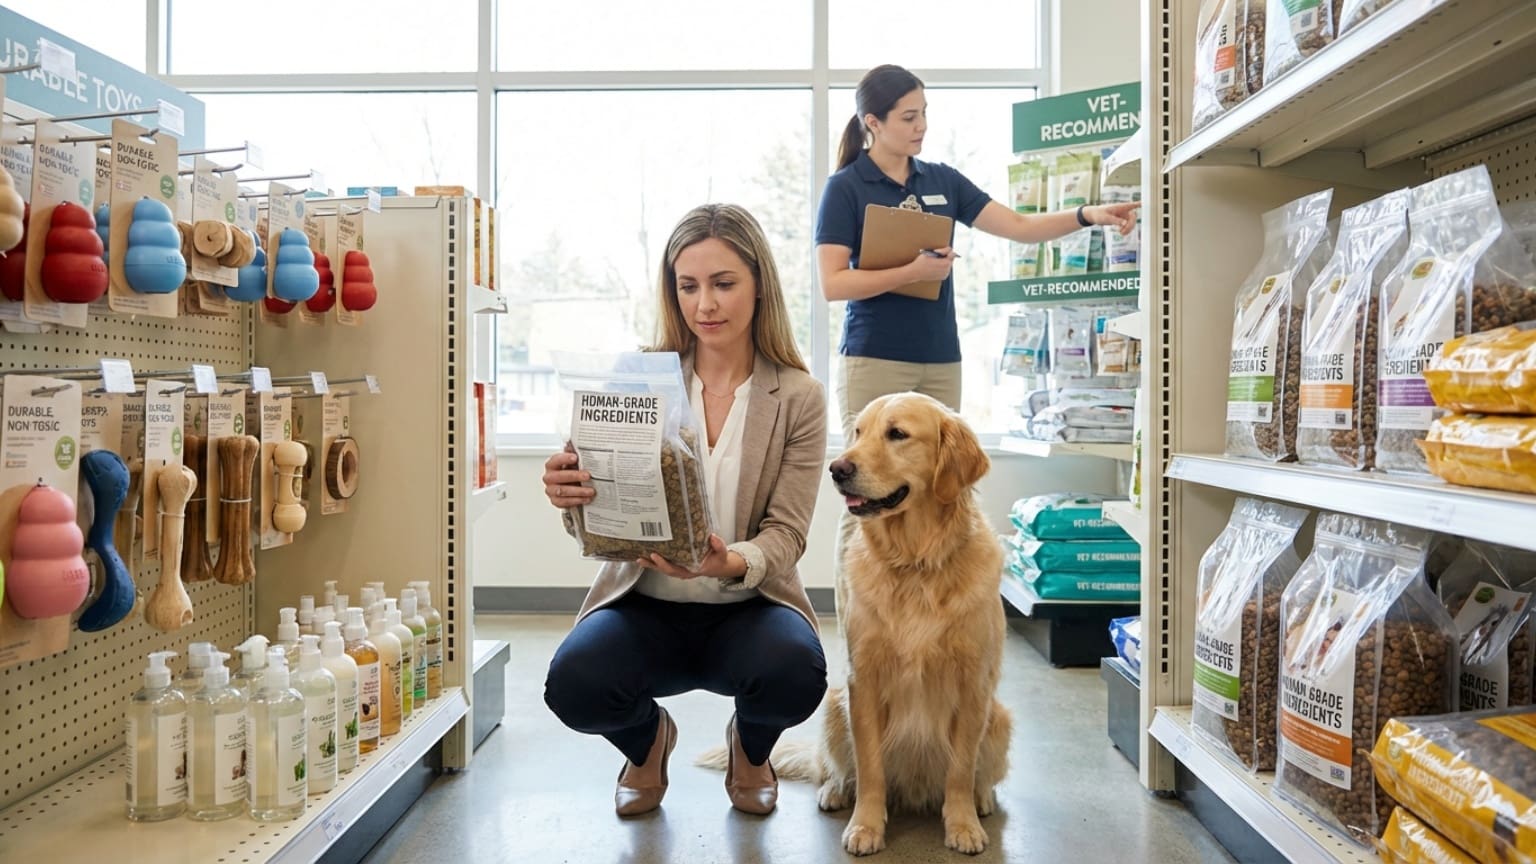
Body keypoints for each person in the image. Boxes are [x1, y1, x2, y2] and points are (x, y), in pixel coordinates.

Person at [816, 63, 1140, 618]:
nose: (920, 127)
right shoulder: (846, 188)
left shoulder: (941, 180)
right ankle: (864, 643)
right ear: (873, 122)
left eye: (924, 115)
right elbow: (832, 283)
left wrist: (1091, 214)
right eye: (908, 117)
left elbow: (1017, 225)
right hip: (874, 357)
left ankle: (937, 630)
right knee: (866, 504)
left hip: (940, 359)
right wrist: (913, 271)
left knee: (944, 494)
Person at [541, 203, 829, 818]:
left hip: (749, 609)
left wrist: (729, 561)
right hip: (644, 605)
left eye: (724, 284)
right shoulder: (637, 378)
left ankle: (751, 749)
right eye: (689, 286)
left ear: (760, 287)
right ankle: (648, 743)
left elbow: (787, 534)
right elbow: (600, 519)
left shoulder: (798, 397)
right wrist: (573, 498)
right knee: (574, 686)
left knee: (795, 675)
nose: (705, 305)